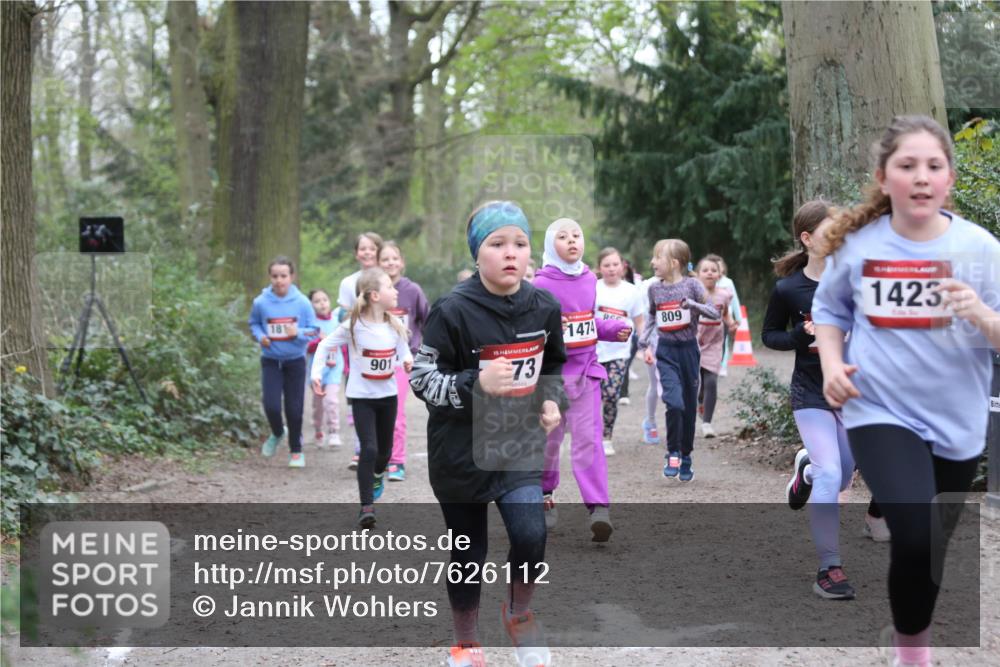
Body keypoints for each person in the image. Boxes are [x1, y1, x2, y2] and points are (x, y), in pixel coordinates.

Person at [813, 115, 1000, 667]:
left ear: (949, 180)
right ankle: (912, 657)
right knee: (914, 536)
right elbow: (828, 310)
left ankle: (909, 642)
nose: (921, 176)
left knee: (930, 549)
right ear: (883, 177)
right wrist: (831, 364)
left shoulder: (980, 249)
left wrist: (981, 315)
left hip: (957, 420)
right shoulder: (862, 246)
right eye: (907, 165)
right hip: (879, 408)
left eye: (933, 166)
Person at [410, 201, 566, 667]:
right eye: (497, 244)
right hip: (459, 454)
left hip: (516, 445)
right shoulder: (452, 310)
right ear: (478, 254)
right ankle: (465, 641)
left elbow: (553, 363)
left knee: (530, 533)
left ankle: (520, 615)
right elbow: (421, 380)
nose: (510, 253)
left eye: (519, 243)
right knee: (469, 551)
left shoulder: (544, 305)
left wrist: (550, 399)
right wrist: (474, 384)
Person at [761, 200, 858, 600]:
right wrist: (799, 337)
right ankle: (828, 568)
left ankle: (806, 472)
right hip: (811, 393)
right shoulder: (788, 288)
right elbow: (770, 335)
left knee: (847, 470)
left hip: (854, 393)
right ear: (807, 238)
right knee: (832, 473)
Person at [534, 221, 630, 541]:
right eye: (562, 237)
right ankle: (545, 496)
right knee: (549, 444)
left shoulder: (590, 278)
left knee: (589, 440)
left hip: (587, 371)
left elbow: (588, 319)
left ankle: (598, 508)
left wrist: (611, 328)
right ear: (550, 245)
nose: (572, 241)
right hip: (551, 378)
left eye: (576, 235)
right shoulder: (540, 283)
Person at [312, 267, 412, 528]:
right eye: (390, 286)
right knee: (368, 448)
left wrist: (408, 361)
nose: (395, 290)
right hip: (361, 397)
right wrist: (316, 374)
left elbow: (404, 350)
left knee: (385, 452)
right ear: (375, 295)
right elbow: (325, 346)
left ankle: (379, 473)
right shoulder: (353, 326)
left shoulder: (395, 324)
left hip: (388, 395)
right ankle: (366, 506)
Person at [639, 239, 719, 482]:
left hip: (688, 352)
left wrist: (692, 305)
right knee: (673, 403)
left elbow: (714, 312)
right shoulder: (654, 288)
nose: (652, 262)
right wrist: (644, 342)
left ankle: (686, 455)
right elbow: (652, 316)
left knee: (688, 407)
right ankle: (672, 452)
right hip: (666, 351)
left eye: (657, 258)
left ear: (674, 263)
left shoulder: (693, 285)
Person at [248, 256, 318, 467]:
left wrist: (298, 332)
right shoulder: (261, 302)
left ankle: (296, 451)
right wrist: (260, 336)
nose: (279, 280)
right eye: (275, 276)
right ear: (270, 277)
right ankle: (278, 432)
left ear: (292, 277)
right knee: (270, 405)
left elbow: (314, 331)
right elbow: (254, 323)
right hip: (270, 361)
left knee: (294, 409)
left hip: (295, 361)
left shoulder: (303, 303)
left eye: (283, 276)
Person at [378, 241, 430, 482]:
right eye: (385, 259)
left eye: (394, 258)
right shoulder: (372, 291)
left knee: (396, 411)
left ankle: (397, 461)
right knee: (377, 411)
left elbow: (426, 320)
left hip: (403, 359)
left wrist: (425, 349)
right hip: (376, 360)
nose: (390, 263)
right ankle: (380, 456)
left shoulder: (412, 290)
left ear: (402, 262)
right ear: (378, 264)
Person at [338, 232, 384, 471]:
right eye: (362, 249)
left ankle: (381, 450)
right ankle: (361, 448)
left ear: (378, 251)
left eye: (371, 248)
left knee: (383, 399)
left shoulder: (386, 278)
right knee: (358, 398)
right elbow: (343, 316)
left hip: (384, 348)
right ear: (356, 253)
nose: (367, 253)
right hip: (356, 350)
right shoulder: (348, 282)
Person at [595, 247, 645, 454]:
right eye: (606, 265)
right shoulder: (593, 287)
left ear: (622, 266)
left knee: (612, 394)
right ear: (599, 268)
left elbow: (639, 321)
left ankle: (607, 436)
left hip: (619, 352)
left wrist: (644, 344)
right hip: (595, 350)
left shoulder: (631, 291)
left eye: (615, 264)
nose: (611, 269)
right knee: (592, 397)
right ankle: (591, 435)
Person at [695, 255, 734, 438]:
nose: (710, 273)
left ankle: (707, 423)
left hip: (715, 343)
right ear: (698, 274)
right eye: (705, 270)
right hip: (694, 342)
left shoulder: (724, 294)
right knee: (698, 382)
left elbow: (725, 314)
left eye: (713, 270)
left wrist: (731, 323)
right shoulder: (693, 294)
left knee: (711, 381)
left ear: (720, 274)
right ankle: (699, 401)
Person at [306, 289, 344, 448]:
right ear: (311, 305)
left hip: (334, 367)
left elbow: (346, 342)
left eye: (325, 299)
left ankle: (334, 431)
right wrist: (319, 341)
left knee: (332, 400)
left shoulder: (337, 321)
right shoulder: (311, 323)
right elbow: (306, 346)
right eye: (317, 301)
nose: (322, 303)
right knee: (318, 405)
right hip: (316, 370)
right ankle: (318, 430)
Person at [710, 253, 742, 377]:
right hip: (710, 317)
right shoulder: (708, 282)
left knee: (723, 341)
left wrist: (737, 318)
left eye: (719, 266)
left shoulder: (728, 282)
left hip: (725, 318)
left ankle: (722, 366)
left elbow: (735, 301)